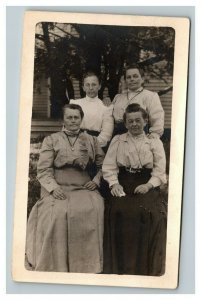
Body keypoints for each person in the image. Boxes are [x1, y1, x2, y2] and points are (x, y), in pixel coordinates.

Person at [26, 104, 105, 273]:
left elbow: (102, 165)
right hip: (59, 185)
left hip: (83, 186)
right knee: (57, 212)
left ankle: (87, 264)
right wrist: (53, 188)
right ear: (63, 119)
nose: (73, 121)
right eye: (69, 117)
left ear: (81, 119)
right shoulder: (51, 140)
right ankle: (56, 264)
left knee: (95, 206)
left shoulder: (91, 140)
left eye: (76, 117)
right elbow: (44, 170)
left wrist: (96, 181)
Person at [102, 103, 167, 276]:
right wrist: (114, 184)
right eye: (130, 121)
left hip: (145, 182)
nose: (134, 124)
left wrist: (148, 185)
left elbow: (160, 170)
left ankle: (141, 267)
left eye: (138, 120)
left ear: (145, 121)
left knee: (144, 212)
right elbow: (109, 166)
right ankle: (120, 267)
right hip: (123, 181)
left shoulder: (153, 142)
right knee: (118, 209)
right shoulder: (118, 140)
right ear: (125, 123)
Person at [112, 64, 164, 138]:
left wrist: (154, 134)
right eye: (128, 77)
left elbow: (157, 118)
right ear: (125, 80)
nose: (132, 79)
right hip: (119, 137)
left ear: (142, 78)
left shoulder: (150, 96)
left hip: (140, 137)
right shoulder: (118, 97)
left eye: (135, 76)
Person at [70, 71, 114, 149]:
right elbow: (67, 127)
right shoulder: (75, 104)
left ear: (99, 86)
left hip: (96, 147)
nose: (91, 88)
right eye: (87, 85)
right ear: (83, 87)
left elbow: (106, 134)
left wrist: (90, 146)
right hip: (74, 145)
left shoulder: (105, 108)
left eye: (94, 84)